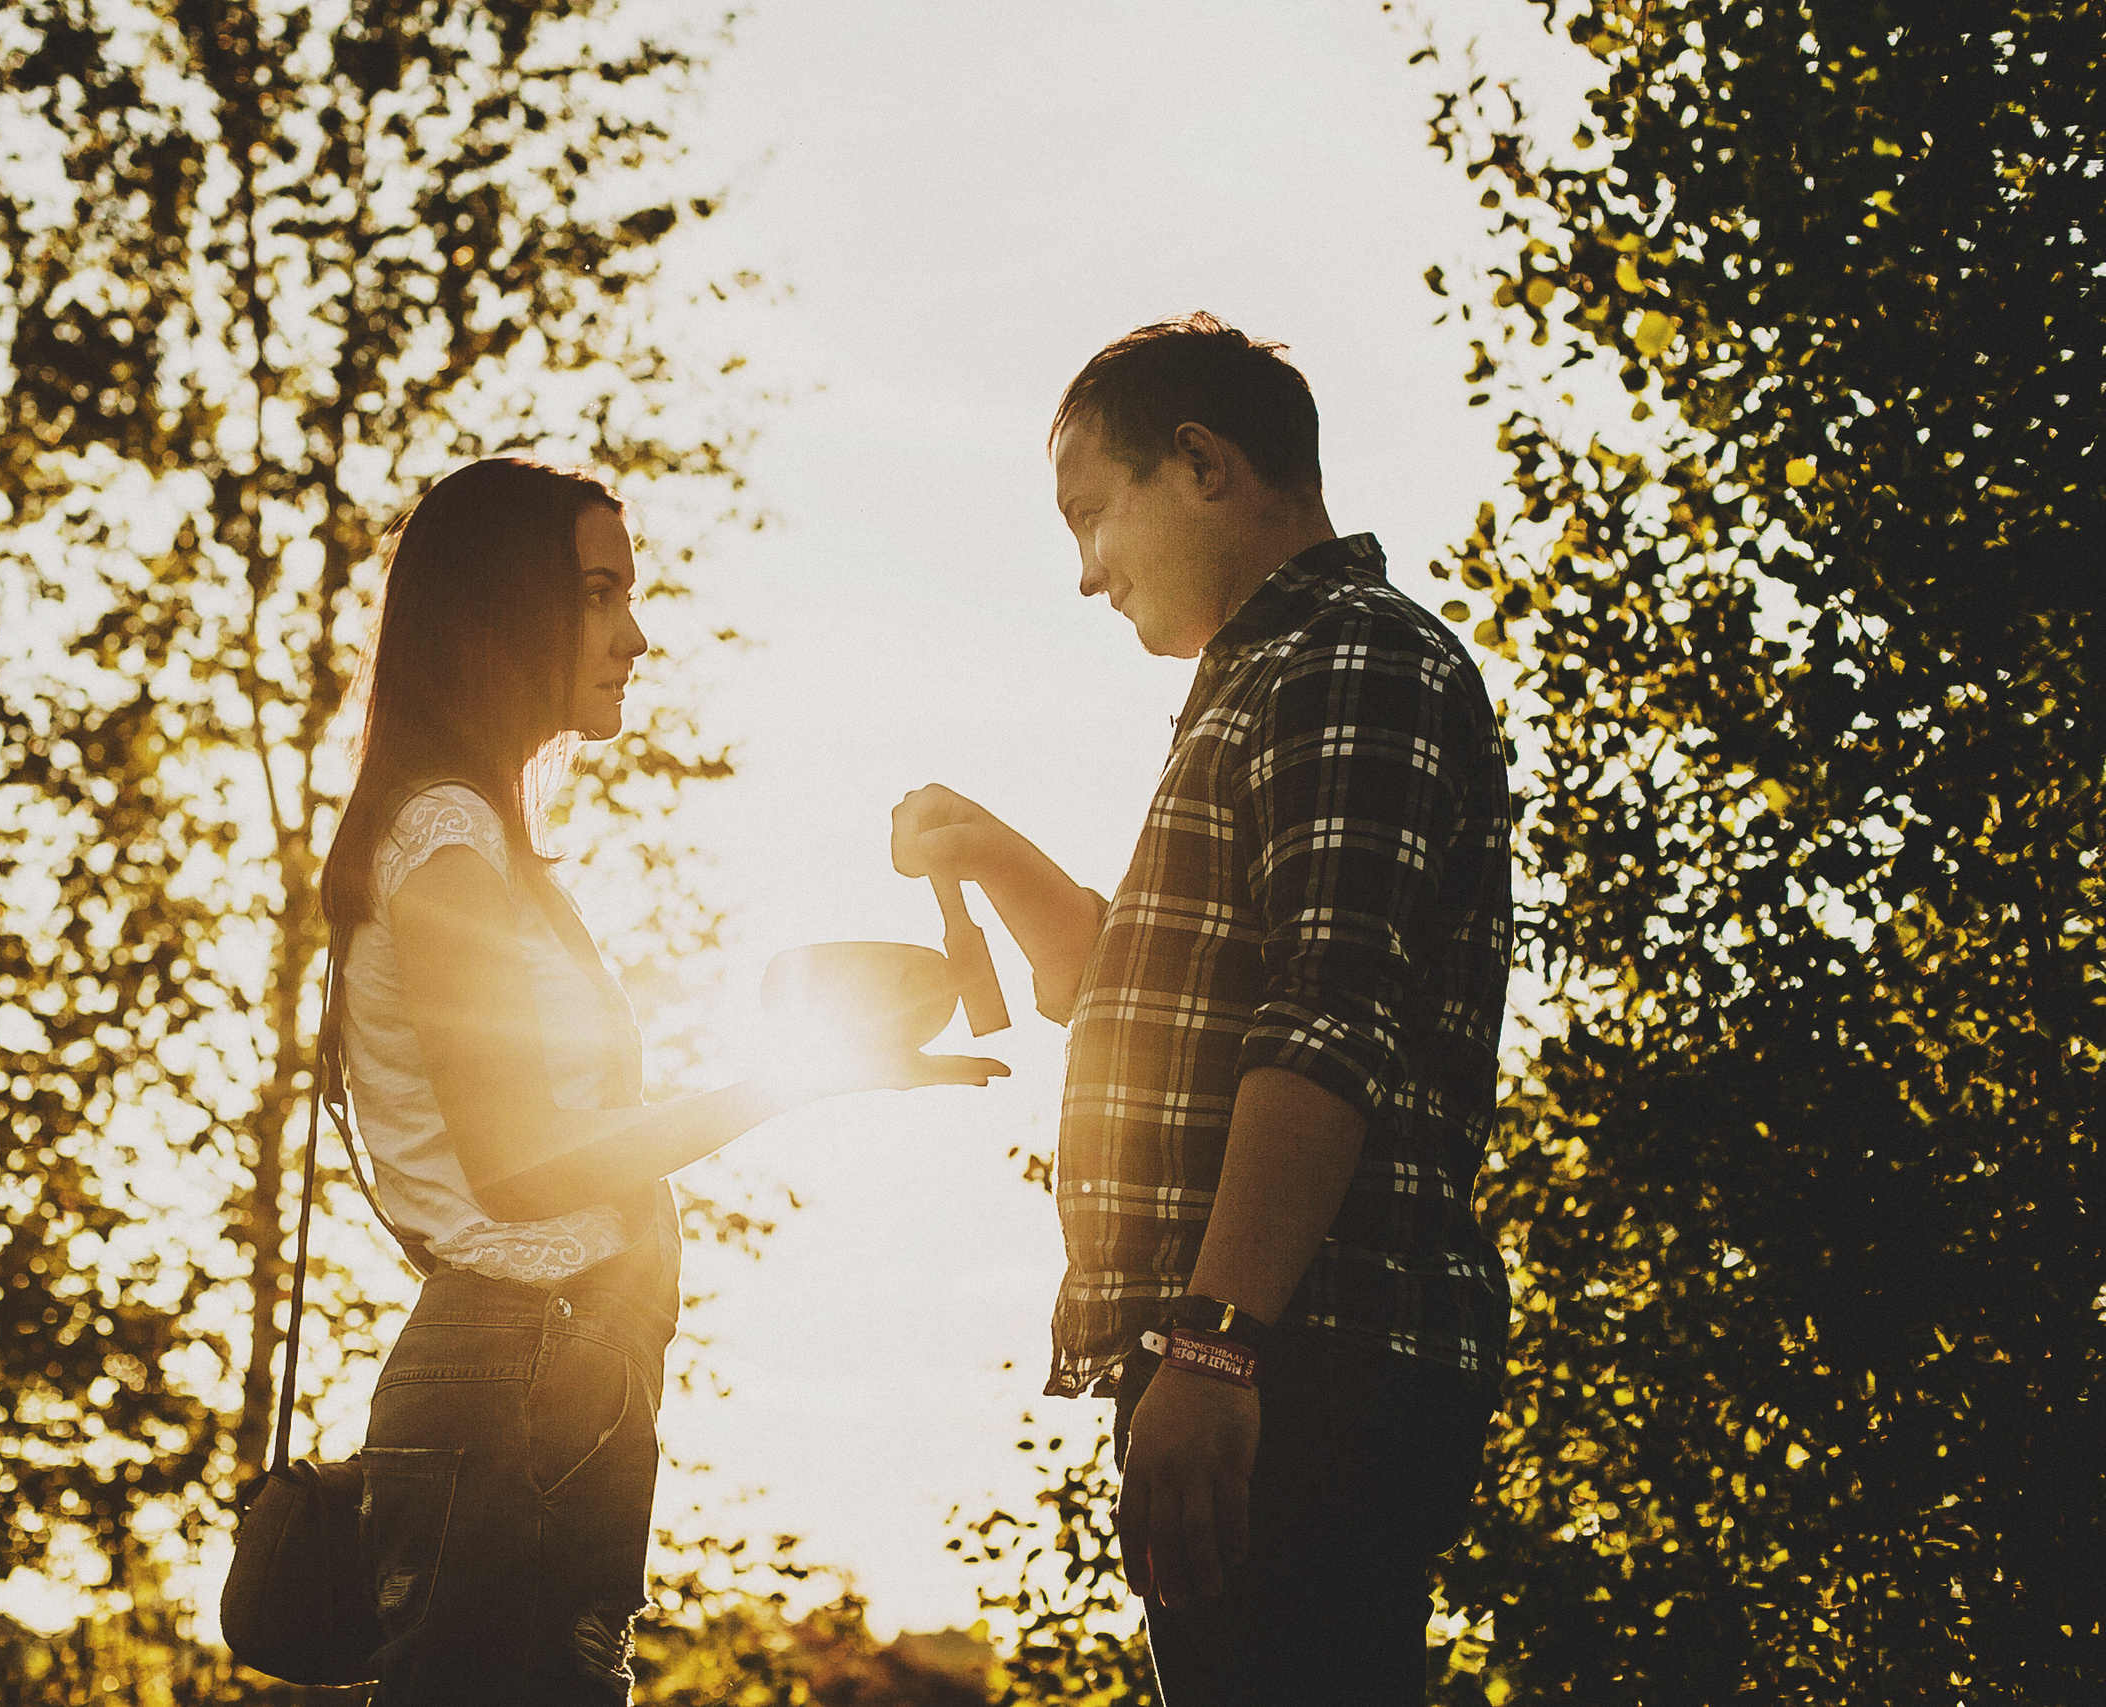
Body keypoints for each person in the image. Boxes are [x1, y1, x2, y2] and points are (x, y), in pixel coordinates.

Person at [890, 314, 1511, 1702]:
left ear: (1201, 463)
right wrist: (990, 848)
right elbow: (1153, 1004)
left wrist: (1215, 1340)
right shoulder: (1264, 681)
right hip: (1256, 1349)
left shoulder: (1348, 658)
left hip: (1302, 1353)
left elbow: (1325, 1024)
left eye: (1091, 513)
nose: (1085, 570)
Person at [322, 456, 1003, 1705]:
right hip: (514, 1386)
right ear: (499, 612)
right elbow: (522, 1168)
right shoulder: (445, 844)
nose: (635, 633)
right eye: (599, 594)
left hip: (548, 1380)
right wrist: (791, 1086)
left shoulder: (472, 842)